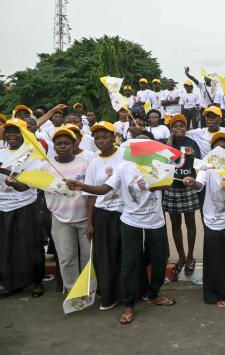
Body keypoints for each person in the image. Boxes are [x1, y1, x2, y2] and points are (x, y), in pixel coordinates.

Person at [66, 132, 175, 325]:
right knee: (130, 263)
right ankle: (129, 305)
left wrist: (154, 184)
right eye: (135, 144)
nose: (139, 147)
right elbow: (104, 189)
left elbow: (167, 185)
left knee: (159, 259)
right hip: (130, 221)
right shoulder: (123, 167)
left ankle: (153, 294)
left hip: (155, 221)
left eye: (144, 143)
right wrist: (82, 186)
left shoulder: (160, 165)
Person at [183, 132, 225, 307]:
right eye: (217, 148)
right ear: (212, 151)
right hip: (212, 220)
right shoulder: (206, 167)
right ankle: (217, 294)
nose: (221, 151)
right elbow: (200, 183)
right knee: (216, 259)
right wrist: (192, 182)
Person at [38, 127, 91, 293]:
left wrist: (91, 220)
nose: (63, 146)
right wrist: (13, 181)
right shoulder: (45, 166)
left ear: (73, 144)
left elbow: (91, 193)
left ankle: (88, 289)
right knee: (67, 259)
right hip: (60, 220)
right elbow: (28, 184)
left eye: (67, 143)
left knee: (87, 258)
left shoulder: (86, 163)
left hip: (84, 219)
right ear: (53, 145)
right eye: (59, 143)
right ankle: (72, 291)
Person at [0, 119, 45, 299]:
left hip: (25, 205)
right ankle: (12, 283)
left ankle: (37, 282)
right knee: (6, 248)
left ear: (25, 134)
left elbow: (26, 186)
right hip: (3, 206)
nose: (12, 135)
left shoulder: (31, 154)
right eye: (9, 131)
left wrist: (6, 173)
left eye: (17, 131)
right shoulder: (0, 152)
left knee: (31, 245)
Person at [83, 121, 126, 310]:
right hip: (103, 215)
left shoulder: (125, 156)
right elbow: (91, 195)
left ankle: (128, 293)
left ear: (114, 137)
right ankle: (109, 296)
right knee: (105, 257)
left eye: (105, 136)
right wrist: (90, 222)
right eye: (97, 137)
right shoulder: (94, 162)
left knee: (125, 256)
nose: (100, 141)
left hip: (125, 214)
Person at [164, 114, 201, 277]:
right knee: (175, 224)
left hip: (188, 187)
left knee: (190, 222)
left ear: (187, 128)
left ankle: (190, 256)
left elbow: (198, 165)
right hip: (172, 187)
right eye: (175, 126)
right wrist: (170, 142)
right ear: (171, 128)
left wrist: (193, 179)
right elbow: (163, 163)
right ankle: (180, 257)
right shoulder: (166, 143)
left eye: (182, 125)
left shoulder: (192, 143)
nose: (179, 128)